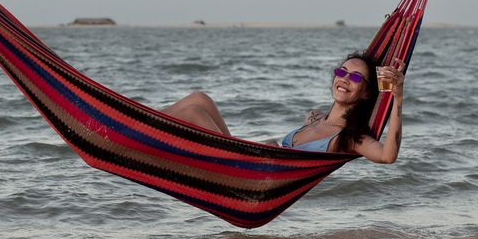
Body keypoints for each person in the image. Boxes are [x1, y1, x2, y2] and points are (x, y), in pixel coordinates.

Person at [162, 52, 405, 163]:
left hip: (251, 183)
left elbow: (387, 156)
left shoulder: (350, 138)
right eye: (342, 72)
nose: (344, 78)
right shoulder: (314, 117)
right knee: (200, 99)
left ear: (367, 93)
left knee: (193, 113)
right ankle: (134, 124)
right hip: (245, 164)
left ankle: (132, 132)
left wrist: (397, 98)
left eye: (355, 78)